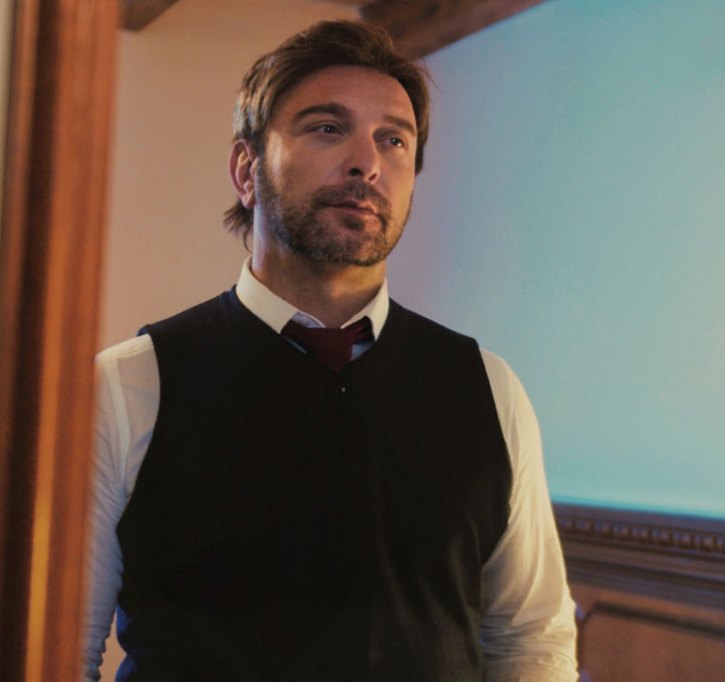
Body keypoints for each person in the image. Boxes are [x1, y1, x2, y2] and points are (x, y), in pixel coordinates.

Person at [85, 20, 577, 681]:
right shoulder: (129, 387)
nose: (365, 163)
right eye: (326, 127)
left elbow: (532, 643)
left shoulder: (488, 389)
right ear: (246, 170)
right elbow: (57, 648)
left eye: (393, 140)